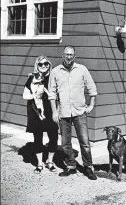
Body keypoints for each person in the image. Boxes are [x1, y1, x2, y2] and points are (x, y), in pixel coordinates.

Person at [48, 46, 98, 180]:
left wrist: (91, 104)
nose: (69, 57)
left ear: (74, 56)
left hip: (80, 112)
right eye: (66, 54)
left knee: (85, 142)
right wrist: (54, 111)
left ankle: (88, 167)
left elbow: (92, 88)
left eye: (71, 55)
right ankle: (71, 166)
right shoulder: (55, 72)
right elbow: (52, 94)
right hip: (63, 112)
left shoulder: (82, 69)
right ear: (62, 55)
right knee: (65, 143)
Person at [23, 55, 58, 174]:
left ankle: (49, 162)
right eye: (40, 64)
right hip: (35, 110)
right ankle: (39, 164)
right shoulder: (32, 77)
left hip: (50, 109)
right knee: (38, 137)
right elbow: (27, 94)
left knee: (53, 136)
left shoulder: (53, 77)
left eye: (46, 64)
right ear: (37, 66)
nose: (43, 66)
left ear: (49, 65)